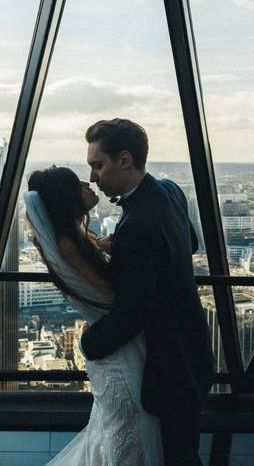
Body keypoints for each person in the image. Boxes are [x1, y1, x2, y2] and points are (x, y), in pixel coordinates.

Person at [80, 118, 214, 465]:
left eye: (98, 165)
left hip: (169, 366)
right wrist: (122, 248)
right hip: (194, 349)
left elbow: (133, 312)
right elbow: (190, 242)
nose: (94, 177)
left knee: (176, 457)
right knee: (184, 449)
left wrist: (89, 343)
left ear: (124, 159)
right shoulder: (169, 189)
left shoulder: (138, 226)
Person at [25, 165, 163, 465]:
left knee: (114, 435)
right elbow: (109, 294)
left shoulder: (76, 236)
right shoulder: (68, 244)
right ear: (69, 199)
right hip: (117, 354)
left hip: (113, 345)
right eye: (79, 185)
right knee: (125, 435)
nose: (89, 183)